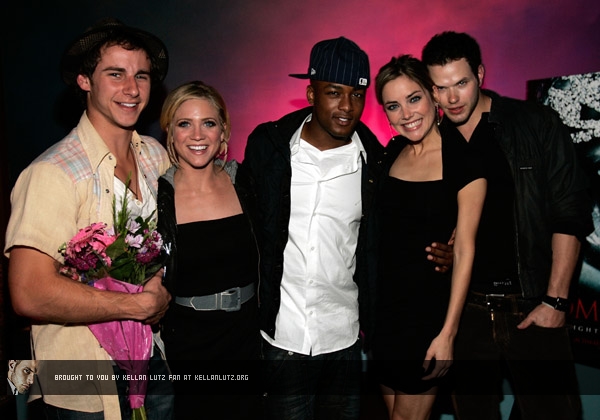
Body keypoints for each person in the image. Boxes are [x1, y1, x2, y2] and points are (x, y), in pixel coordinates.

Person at [241, 37, 453, 420]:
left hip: (345, 341)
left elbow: (404, 229)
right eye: (334, 93)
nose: (346, 106)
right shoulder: (268, 149)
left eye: (357, 94)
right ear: (311, 93)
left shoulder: (376, 164)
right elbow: (242, 226)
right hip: (281, 338)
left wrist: (452, 251)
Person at [5, 18, 174, 419]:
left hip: (154, 357)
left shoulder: (155, 156)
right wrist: (134, 306)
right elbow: (28, 293)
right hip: (83, 376)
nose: (132, 89)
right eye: (115, 74)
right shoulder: (53, 172)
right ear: (84, 81)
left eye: (141, 75)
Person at [421, 31, 591, 420]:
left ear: (480, 74)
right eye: (441, 88)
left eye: (461, 83)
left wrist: (555, 301)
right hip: (466, 313)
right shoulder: (432, 141)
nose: (452, 98)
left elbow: (569, 212)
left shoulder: (533, 122)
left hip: (531, 306)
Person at [371, 55, 486, 420]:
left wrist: (448, 333)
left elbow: (465, 249)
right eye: (393, 105)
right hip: (385, 315)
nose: (406, 114)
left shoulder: (465, 159)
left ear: (433, 95)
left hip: (428, 317)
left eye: (414, 98)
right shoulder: (390, 155)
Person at [156, 80, 261, 419]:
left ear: (223, 131)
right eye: (185, 124)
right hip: (190, 345)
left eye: (209, 123)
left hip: (247, 339)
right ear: (170, 133)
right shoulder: (158, 196)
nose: (198, 135)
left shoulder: (245, 183)